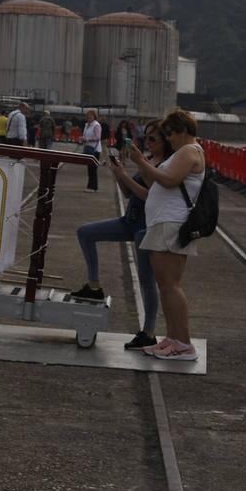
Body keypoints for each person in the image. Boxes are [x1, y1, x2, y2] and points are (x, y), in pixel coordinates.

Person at [121, 108, 206, 361]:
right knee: (165, 286)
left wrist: (140, 162)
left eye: (170, 134)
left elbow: (169, 180)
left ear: (181, 130)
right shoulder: (184, 151)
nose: (168, 139)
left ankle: (184, 343)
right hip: (164, 222)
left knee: (171, 286)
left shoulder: (190, 151)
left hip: (172, 223)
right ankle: (173, 338)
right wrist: (141, 163)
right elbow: (155, 182)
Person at [73, 121, 163, 350]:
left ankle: (149, 332)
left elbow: (150, 197)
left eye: (153, 139)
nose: (147, 143)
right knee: (85, 233)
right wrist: (118, 173)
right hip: (129, 221)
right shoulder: (148, 160)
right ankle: (94, 286)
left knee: (146, 281)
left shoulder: (163, 166)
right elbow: (127, 192)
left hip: (145, 227)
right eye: (147, 138)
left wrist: (127, 173)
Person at [80, 108, 103, 191]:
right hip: (88, 148)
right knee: (90, 169)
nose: (89, 117)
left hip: (95, 150)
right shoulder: (87, 125)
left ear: (94, 116)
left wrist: (87, 139)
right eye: (88, 116)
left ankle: (92, 187)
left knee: (93, 169)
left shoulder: (96, 125)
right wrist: (83, 139)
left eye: (91, 116)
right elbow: (86, 135)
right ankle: (91, 186)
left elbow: (98, 137)